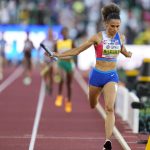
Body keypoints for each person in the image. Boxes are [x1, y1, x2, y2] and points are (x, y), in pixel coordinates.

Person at [48, 3, 132, 149]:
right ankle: (92, 96)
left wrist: (128, 53)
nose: (115, 29)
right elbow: (77, 51)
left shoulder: (121, 37)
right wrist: (59, 55)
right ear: (106, 23)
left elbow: (122, 49)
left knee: (109, 108)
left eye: (118, 26)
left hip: (111, 76)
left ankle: (107, 141)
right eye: (112, 26)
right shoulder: (98, 38)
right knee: (92, 104)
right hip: (97, 76)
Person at [54, 27, 76, 113]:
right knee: (62, 78)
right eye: (63, 32)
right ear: (61, 34)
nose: (65, 34)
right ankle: (59, 96)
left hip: (69, 63)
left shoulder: (71, 42)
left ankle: (69, 101)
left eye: (66, 32)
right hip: (61, 63)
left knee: (69, 84)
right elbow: (54, 53)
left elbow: (76, 51)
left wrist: (72, 57)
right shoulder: (58, 43)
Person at [40, 29, 55, 94]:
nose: (49, 34)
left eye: (50, 33)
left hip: (51, 61)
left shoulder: (54, 42)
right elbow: (39, 48)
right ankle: (46, 84)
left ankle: (50, 86)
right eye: (49, 33)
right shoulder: (44, 41)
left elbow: (56, 50)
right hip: (45, 60)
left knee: (51, 75)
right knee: (44, 74)